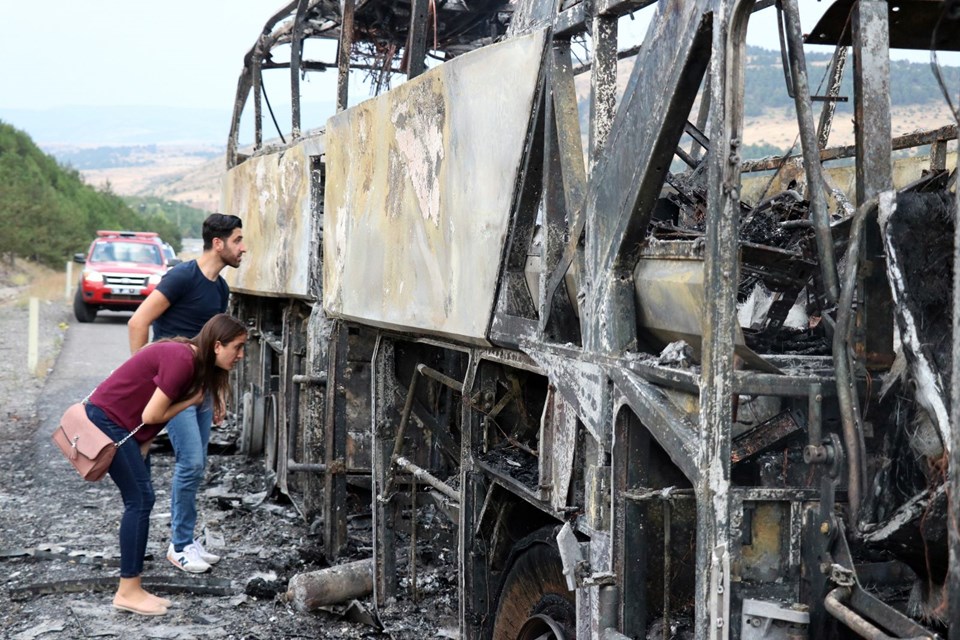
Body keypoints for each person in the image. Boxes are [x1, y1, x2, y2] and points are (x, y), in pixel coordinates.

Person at [87, 313, 247, 616]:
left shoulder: (195, 362)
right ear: (216, 345)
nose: (240, 355)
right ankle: (127, 591)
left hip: (123, 425)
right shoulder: (183, 361)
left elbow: (144, 414)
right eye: (237, 347)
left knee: (141, 499)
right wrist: (190, 402)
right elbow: (150, 416)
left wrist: (142, 447)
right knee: (141, 500)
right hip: (108, 421)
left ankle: (133, 587)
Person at [128, 213, 246, 574]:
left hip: (202, 388)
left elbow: (218, 348)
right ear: (218, 243)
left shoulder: (220, 289)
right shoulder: (182, 277)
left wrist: (220, 394)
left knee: (195, 466)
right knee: (191, 462)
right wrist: (144, 378)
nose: (243, 248)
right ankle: (178, 546)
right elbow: (138, 322)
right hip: (172, 386)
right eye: (238, 241)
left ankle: (185, 540)